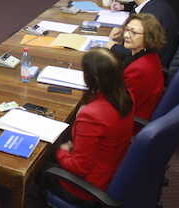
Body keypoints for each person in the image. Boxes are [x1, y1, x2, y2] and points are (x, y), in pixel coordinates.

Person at [54, 48, 134, 205]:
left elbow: (79, 167)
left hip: (86, 188)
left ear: (91, 79)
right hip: (113, 168)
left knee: (43, 164)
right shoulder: (126, 96)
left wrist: (62, 152)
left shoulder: (92, 116)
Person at [110, 0, 179, 66]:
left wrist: (112, 47)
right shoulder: (159, 4)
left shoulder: (148, 18)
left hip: (149, 66)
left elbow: (140, 54)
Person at [107, 13, 165, 121]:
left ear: (148, 37)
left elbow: (120, 105)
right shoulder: (149, 55)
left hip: (129, 123)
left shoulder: (139, 69)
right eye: (127, 30)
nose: (126, 35)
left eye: (133, 32)